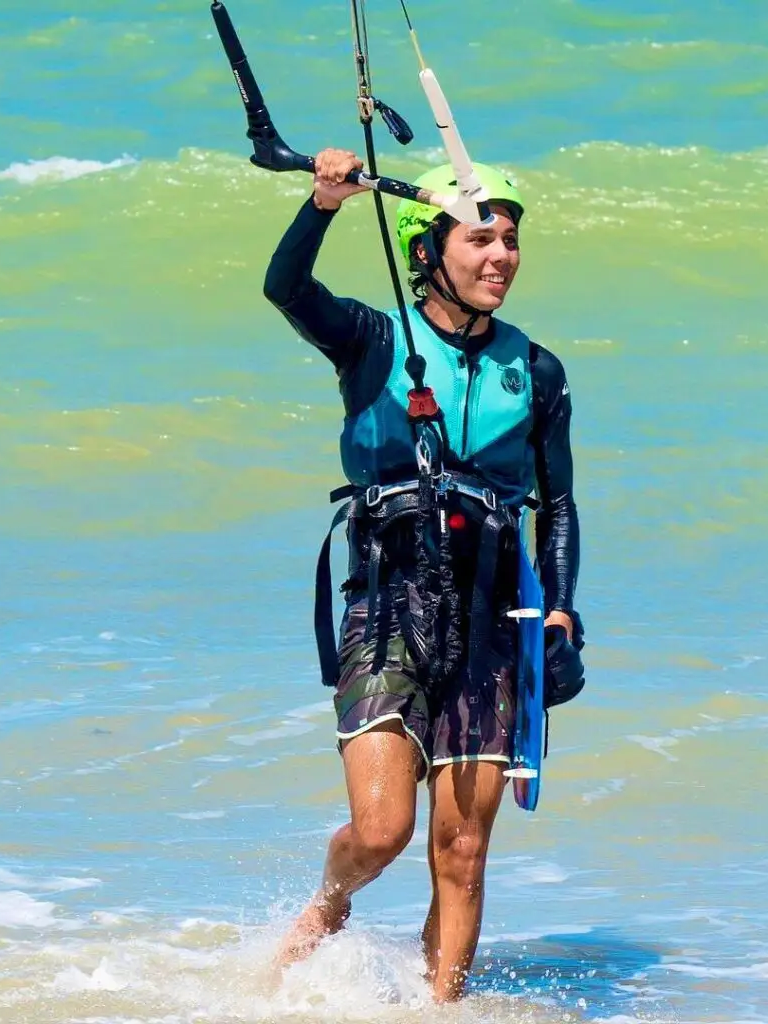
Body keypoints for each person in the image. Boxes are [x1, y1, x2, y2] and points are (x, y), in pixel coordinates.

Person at [263, 147, 583, 1002]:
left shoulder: (538, 372)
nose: (501, 257)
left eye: (510, 239)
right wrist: (324, 203)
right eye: (481, 238)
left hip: (491, 616)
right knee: (382, 830)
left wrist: (560, 614)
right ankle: (331, 905)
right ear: (428, 250)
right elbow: (286, 288)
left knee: (464, 849)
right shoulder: (373, 340)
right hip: (391, 599)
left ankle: (440, 1012)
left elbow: (555, 507)